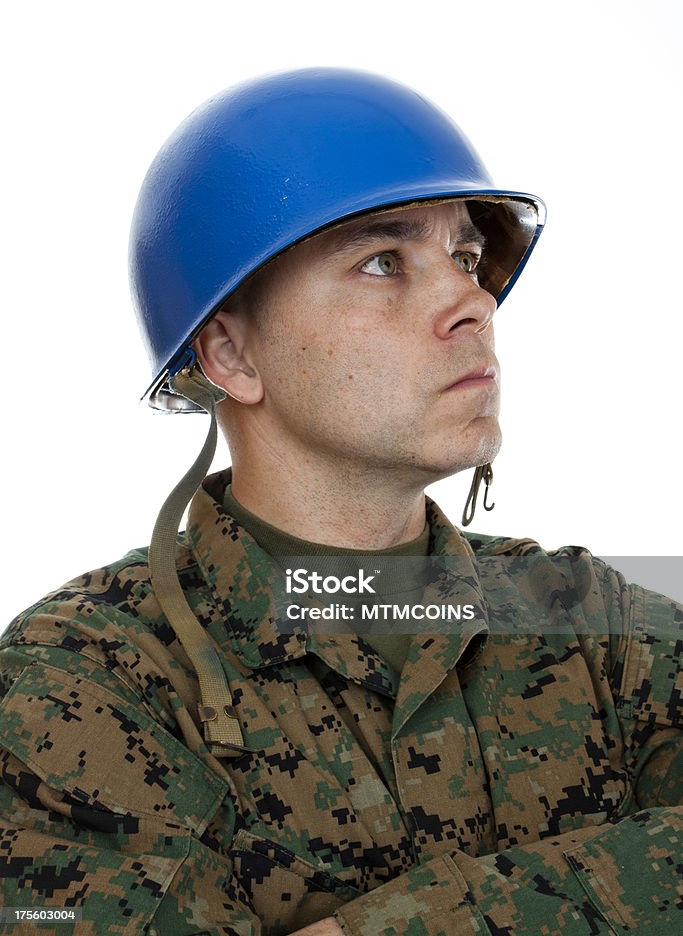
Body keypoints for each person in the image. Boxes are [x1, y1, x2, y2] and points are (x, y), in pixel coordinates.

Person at [0, 68, 680, 936]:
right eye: (382, 262)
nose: (472, 302)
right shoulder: (86, 676)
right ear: (229, 356)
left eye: (466, 258)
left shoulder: (577, 613)